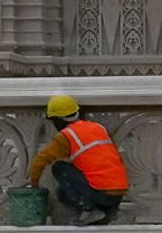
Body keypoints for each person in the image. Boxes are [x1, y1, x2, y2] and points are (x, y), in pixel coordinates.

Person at [28, 95, 128, 226]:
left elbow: (40, 161)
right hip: (119, 191)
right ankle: (109, 211)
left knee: (59, 167)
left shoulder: (66, 136)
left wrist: (34, 184)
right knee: (62, 193)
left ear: (58, 120)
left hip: (101, 193)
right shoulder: (98, 128)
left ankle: (91, 210)